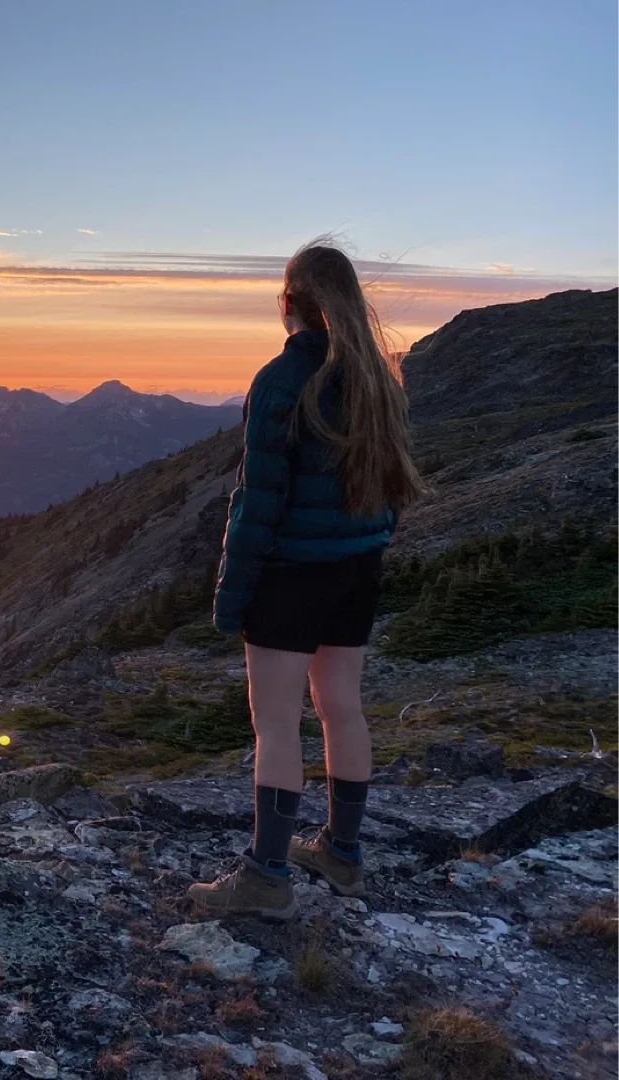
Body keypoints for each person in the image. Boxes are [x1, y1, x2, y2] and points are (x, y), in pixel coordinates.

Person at [188, 240, 426, 919]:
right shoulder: (378, 378)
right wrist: (372, 545)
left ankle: (266, 876)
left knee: (275, 725)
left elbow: (258, 503)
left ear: (289, 305)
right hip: (357, 568)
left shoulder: (282, 381)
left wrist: (232, 600)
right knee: (341, 706)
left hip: (293, 576)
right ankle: (342, 854)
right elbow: (390, 487)